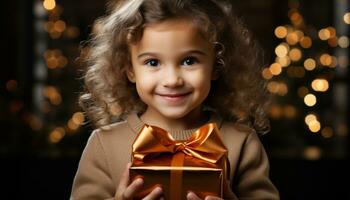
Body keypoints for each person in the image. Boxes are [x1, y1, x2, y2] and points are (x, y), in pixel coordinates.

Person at [70, 0, 280, 199]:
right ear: (129, 70)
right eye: (152, 62)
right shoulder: (104, 145)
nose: (172, 80)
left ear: (216, 65)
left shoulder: (242, 143)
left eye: (189, 61)